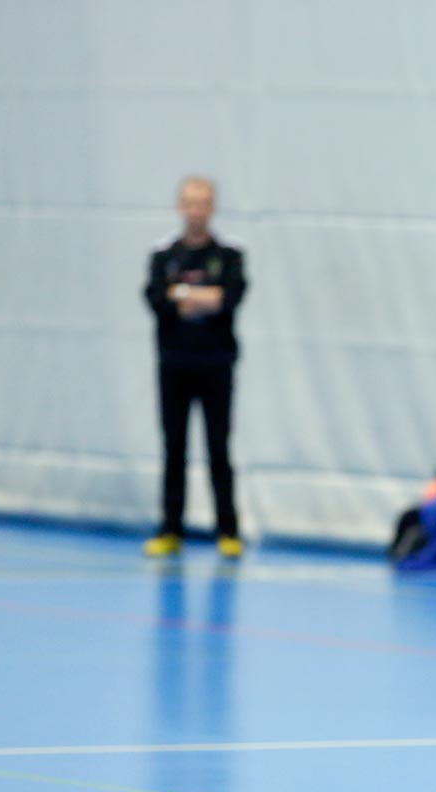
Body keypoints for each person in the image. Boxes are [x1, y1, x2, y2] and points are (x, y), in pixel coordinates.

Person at [141, 176, 249, 558]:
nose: (195, 210)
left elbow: (229, 299)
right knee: (174, 448)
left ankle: (228, 530)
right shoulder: (164, 257)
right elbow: (157, 300)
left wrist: (183, 295)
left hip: (216, 364)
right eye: (189, 202)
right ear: (180, 207)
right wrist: (201, 297)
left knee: (218, 448)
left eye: (203, 203)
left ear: (212, 208)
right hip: (174, 364)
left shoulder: (229, 257)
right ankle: (171, 528)